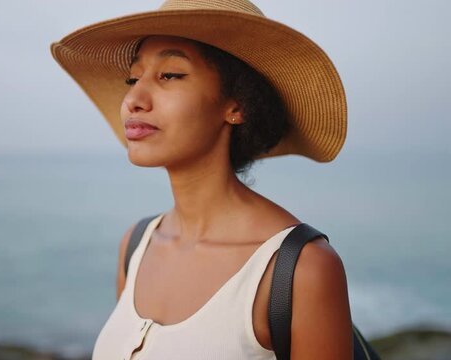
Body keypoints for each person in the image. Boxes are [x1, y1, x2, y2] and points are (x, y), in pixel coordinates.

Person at [51, 0, 353, 359]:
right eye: (133, 78)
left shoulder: (300, 269)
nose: (133, 98)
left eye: (170, 75)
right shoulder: (136, 245)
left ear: (237, 105)